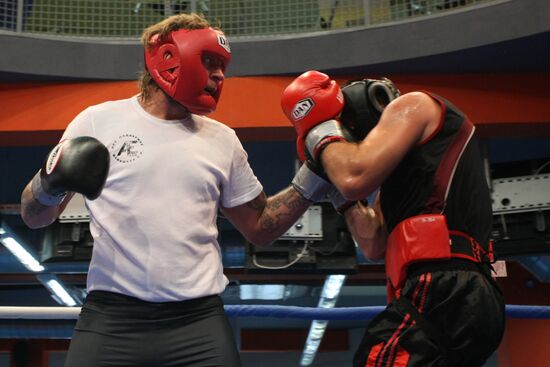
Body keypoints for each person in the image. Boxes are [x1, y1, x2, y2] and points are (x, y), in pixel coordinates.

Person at [20, 13, 337, 367]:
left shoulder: (222, 139)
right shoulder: (97, 121)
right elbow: (34, 217)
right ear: (169, 57)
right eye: (210, 61)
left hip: (197, 322)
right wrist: (49, 183)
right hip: (111, 319)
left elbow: (259, 227)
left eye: (223, 66)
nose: (219, 75)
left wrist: (315, 172)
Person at [281, 71, 505, 367]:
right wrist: (340, 198)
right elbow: (373, 243)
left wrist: (320, 132)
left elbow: (353, 175)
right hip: (450, 293)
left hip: (446, 285)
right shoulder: (399, 179)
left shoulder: (414, 105)